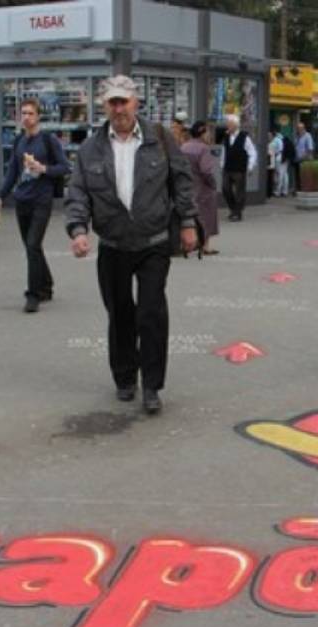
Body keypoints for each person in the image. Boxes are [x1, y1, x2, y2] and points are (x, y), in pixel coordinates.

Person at [65, 75, 198, 415]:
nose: (119, 108)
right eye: (112, 102)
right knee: (120, 313)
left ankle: (152, 385)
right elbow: (78, 193)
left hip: (154, 242)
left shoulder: (160, 138)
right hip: (113, 244)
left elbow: (182, 181)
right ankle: (125, 377)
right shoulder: (90, 149)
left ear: (136, 102)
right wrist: (78, 230)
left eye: (123, 101)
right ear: (104, 105)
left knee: (151, 313)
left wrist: (187, 223)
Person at [0, 98, 71, 313]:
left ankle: (33, 294)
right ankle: (46, 284)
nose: (26, 117)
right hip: (22, 199)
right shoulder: (19, 141)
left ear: (38, 117)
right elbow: (12, 172)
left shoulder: (47, 140)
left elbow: (65, 167)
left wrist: (43, 169)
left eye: (30, 113)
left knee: (33, 244)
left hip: (41, 199)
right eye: (23, 113)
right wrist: (0, 196)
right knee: (31, 246)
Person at [182, 121, 220, 255]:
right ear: (202, 133)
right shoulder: (204, 149)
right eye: (208, 132)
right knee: (206, 216)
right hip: (203, 188)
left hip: (187, 186)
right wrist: (213, 184)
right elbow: (206, 171)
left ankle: (190, 243)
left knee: (190, 215)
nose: (209, 135)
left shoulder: (184, 147)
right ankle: (205, 245)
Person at [220, 113, 257, 222]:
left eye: (229, 124)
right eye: (227, 124)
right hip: (228, 168)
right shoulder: (226, 137)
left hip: (239, 169)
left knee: (239, 192)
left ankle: (237, 212)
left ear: (235, 125)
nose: (227, 126)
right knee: (225, 189)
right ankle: (233, 209)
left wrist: (250, 166)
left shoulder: (244, 137)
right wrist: (222, 164)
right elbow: (224, 152)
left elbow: (252, 152)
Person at [294, 120, 314, 191]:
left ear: (303, 128)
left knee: (304, 175)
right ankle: (298, 188)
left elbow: (310, 149)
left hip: (305, 159)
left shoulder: (307, 136)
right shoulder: (297, 136)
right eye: (297, 128)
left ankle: (304, 188)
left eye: (299, 128)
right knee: (297, 175)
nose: (298, 130)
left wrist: (305, 156)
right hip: (297, 158)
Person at [271, 130, 291, 197]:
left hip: (279, 158)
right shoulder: (283, 138)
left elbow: (274, 150)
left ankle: (278, 191)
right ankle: (285, 191)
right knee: (285, 175)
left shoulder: (276, 139)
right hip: (285, 158)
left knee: (279, 174)